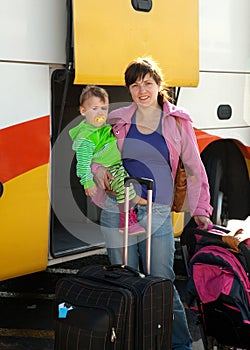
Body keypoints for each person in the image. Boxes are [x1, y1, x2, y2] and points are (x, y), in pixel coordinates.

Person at [92, 58, 213, 349]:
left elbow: (195, 169)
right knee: (123, 281)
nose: (141, 89)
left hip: (156, 211)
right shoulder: (117, 119)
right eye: (134, 84)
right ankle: (131, 343)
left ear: (159, 86)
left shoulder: (176, 122)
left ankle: (179, 345)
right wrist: (99, 171)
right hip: (117, 210)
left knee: (161, 282)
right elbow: (95, 158)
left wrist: (201, 210)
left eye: (147, 82)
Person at [69, 85, 145, 235]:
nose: (100, 113)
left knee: (129, 187)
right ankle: (127, 222)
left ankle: (131, 212)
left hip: (117, 165)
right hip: (110, 170)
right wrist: (88, 182)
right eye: (95, 108)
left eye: (104, 108)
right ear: (83, 111)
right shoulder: (87, 137)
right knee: (125, 188)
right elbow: (82, 162)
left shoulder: (100, 128)